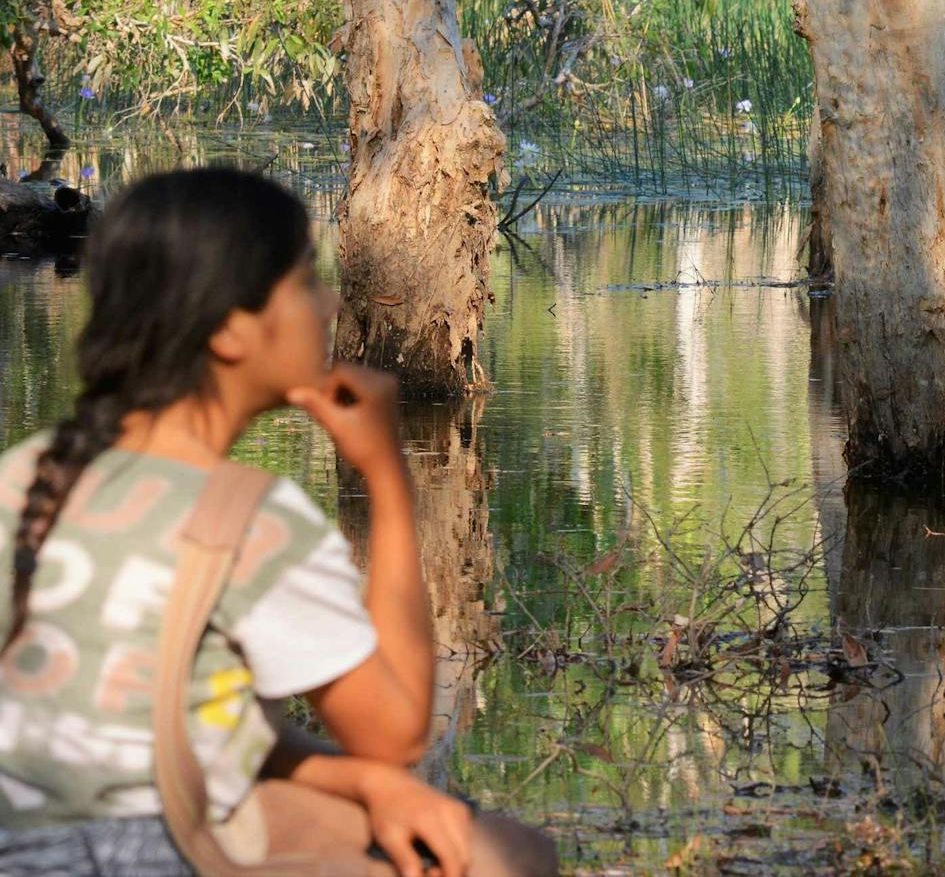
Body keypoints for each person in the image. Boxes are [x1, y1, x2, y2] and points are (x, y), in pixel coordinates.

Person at [0, 166, 556, 875]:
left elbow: (174, 722)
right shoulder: (250, 520)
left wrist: (363, 781)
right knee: (510, 856)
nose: (327, 305)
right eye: (302, 284)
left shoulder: (24, 475)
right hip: (149, 851)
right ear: (233, 333)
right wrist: (387, 478)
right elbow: (396, 734)